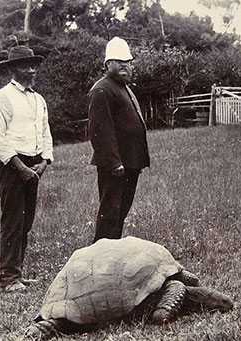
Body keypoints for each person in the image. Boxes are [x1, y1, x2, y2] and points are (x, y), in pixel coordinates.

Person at [0, 45, 53, 293]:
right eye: (26, 65)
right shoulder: (1, 99)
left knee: (26, 222)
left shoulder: (38, 99)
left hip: (34, 165)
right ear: (13, 69)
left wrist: (45, 161)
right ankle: (8, 278)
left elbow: (45, 132)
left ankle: (18, 274)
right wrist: (19, 166)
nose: (33, 69)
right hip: (12, 166)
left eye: (34, 65)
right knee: (13, 221)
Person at [88, 37, 150, 243]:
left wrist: (137, 161)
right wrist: (114, 163)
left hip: (130, 163)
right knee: (110, 214)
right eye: (119, 61)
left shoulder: (123, 88)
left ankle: (112, 255)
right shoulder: (102, 90)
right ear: (107, 64)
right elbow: (100, 131)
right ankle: (99, 258)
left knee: (120, 213)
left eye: (128, 61)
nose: (125, 65)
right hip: (115, 166)